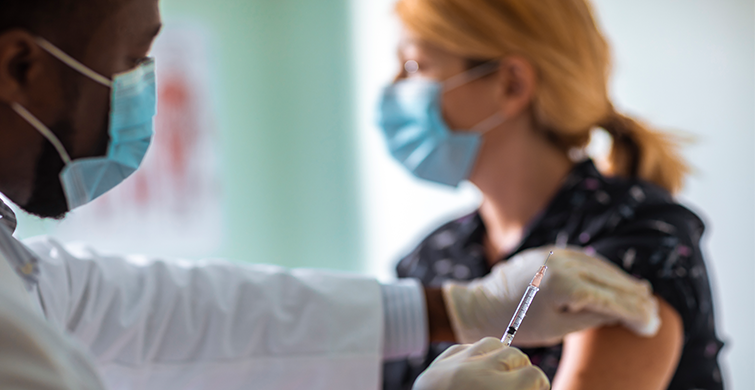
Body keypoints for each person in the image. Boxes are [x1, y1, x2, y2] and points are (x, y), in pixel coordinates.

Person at [0, 0, 662, 389]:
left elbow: (164, 309)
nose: (138, 88)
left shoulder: (632, 239)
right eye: (129, 60)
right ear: (18, 67)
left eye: (415, 67)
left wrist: (455, 309)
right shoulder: (437, 251)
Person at [377, 0, 724, 389]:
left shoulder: (632, 235)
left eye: (414, 66)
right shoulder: (430, 258)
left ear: (512, 84)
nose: (393, 88)